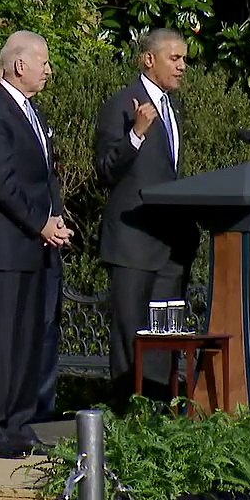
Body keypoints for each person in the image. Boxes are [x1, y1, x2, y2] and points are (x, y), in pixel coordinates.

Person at [0, 30, 71, 458]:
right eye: (42, 60)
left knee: (30, 340)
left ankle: (18, 423)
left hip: (37, 247)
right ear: (18, 64)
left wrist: (58, 215)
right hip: (8, 247)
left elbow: (45, 173)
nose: (48, 68)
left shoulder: (34, 112)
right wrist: (39, 223)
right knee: (2, 343)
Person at [94, 27, 199, 407]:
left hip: (170, 247)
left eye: (185, 59)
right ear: (148, 59)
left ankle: (157, 420)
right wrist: (136, 134)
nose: (182, 66)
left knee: (163, 342)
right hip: (132, 244)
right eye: (175, 58)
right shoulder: (121, 104)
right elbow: (105, 170)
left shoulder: (174, 108)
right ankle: (125, 426)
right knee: (130, 341)